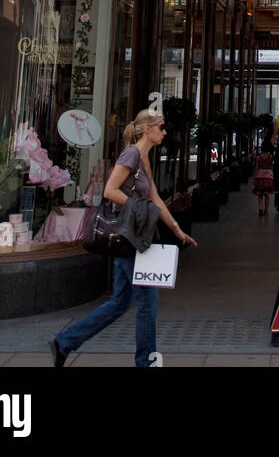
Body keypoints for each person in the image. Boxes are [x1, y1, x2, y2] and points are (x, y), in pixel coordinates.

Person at [50, 109, 197, 368]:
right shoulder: (131, 154)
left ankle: (65, 341)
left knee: (120, 301)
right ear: (148, 129)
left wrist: (176, 229)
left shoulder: (145, 158)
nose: (164, 132)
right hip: (129, 236)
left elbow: (154, 199)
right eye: (161, 127)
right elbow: (110, 190)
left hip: (134, 235)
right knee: (148, 300)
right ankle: (146, 361)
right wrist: (137, 208)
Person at [253, 132, 275, 216]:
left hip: (260, 176)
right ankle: (266, 209)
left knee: (260, 193)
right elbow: (272, 166)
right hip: (268, 176)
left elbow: (256, 168)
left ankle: (260, 208)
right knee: (267, 194)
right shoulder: (270, 157)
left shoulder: (259, 157)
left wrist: (255, 177)